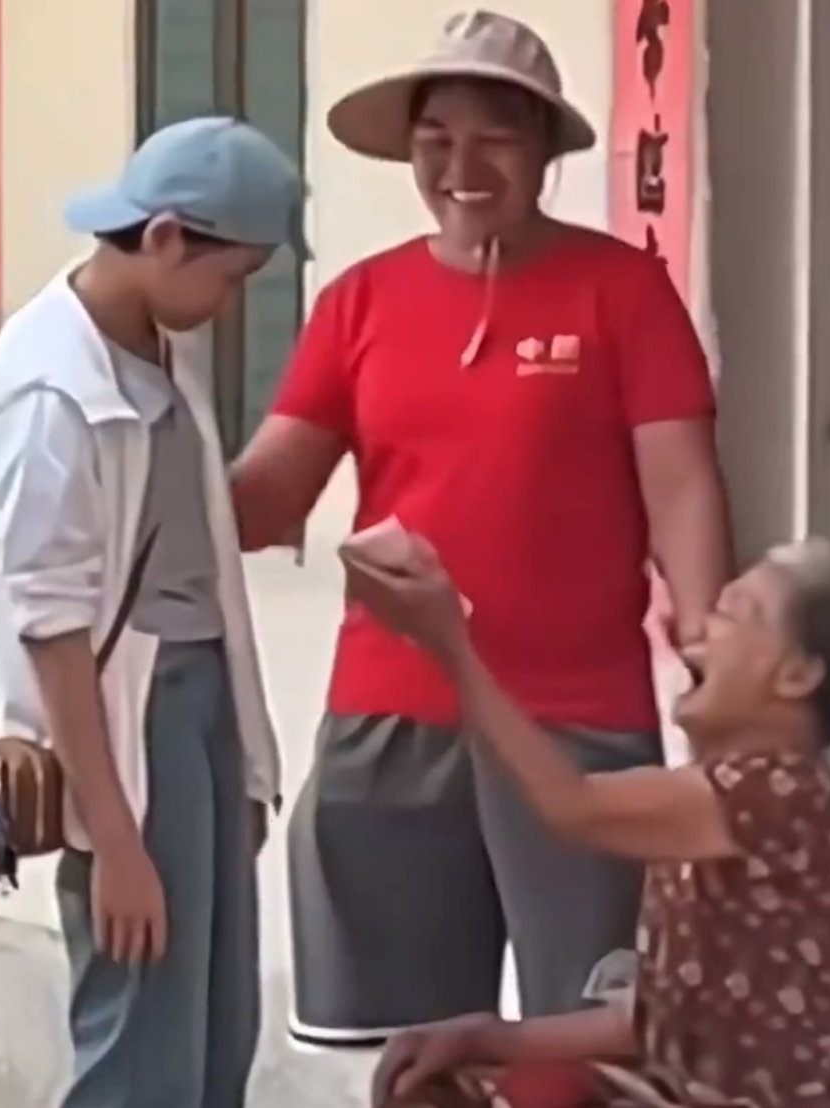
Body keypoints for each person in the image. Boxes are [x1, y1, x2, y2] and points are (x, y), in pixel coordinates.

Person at [231, 9, 732, 1039]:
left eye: (493, 139)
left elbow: (681, 486)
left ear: (544, 149)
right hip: (392, 712)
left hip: (577, 718)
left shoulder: (622, 292)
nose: (460, 168)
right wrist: (141, 426)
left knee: (586, 1042)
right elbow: (266, 497)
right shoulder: (360, 302)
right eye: (435, 141)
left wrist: (710, 656)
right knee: (408, 1053)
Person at [0, 118, 304, 1108]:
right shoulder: (49, 388)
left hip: (198, 700)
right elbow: (51, 631)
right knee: (143, 1043)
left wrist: (242, 762)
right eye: (231, 277)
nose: (231, 304)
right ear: (164, 239)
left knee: (215, 1031)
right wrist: (114, 840)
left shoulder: (155, 339)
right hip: (123, 724)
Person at [347, 535, 830, 1108]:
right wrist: (484, 1036)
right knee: (436, 1085)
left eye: (735, 614)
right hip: (680, 1087)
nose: (700, 633)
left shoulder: (775, 791)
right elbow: (650, 1022)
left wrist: (452, 647)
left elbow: (571, 806)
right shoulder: (721, 803)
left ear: (796, 676)